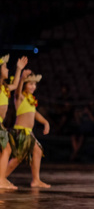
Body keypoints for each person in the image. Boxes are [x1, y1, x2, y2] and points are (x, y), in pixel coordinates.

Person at [3, 69, 51, 188]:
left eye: (34, 84)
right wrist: (22, 79)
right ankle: (1, 178)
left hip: (29, 133)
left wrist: (45, 122)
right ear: (24, 85)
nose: (33, 86)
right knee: (17, 158)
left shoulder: (31, 100)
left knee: (37, 151)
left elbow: (34, 114)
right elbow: (17, 92)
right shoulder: (20, 98)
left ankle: (36, 180)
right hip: (20, 132)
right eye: (30, 84)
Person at [0, 55, 27, 189]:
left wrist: (18, 69)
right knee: (7, 149)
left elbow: (16, 85)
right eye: (4, 67)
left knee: (5, 150)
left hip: (0, 124)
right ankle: (1, 180)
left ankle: (1, 179)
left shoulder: (4, 88)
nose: (7, 69)